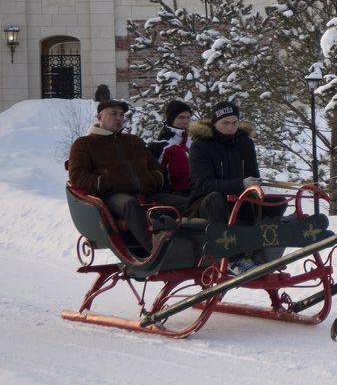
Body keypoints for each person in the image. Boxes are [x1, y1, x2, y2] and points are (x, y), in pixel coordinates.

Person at [67, 99, 189, 254]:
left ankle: (195, 243)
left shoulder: (134, 141)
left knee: (186, 203)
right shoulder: (84, 144)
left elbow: (155, 168)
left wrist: (154, 180)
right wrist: (104, 183)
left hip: (147, 193)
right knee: (130, 205)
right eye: (113, 113)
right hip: (113, 196)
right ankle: (154, 250)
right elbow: (77, 175)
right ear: (100, 117)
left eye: (121, 114)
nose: (119, 118)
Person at [188, 101, 281, 274]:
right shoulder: (200, 146)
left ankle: (262, 254)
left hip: (239, 198)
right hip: (204, 203)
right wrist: (241, 184)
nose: (231, 127)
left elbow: (253, 174)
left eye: (234, 123)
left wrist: (254, 184)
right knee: (215, 199)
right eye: (225, 123)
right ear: (215, 123)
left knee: (277, 202)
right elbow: (204, 184)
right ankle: (233, 259)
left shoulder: (245, 143)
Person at [147, 100, 193, 195]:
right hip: (175, 195)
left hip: (200, 189)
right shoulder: (161, 145)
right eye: (181, 117)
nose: (186, 121)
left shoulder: (196, 140)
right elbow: (156, 175)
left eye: (188, 117)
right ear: (172, 119)